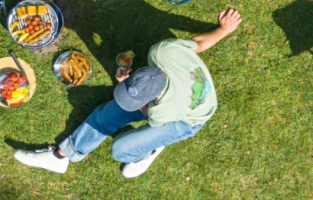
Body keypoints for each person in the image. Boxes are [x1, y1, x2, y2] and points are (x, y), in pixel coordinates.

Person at [13, 9, 242, 178]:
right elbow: (197, 44)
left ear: (153, 100)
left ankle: (152, 148)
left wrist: (137, 102)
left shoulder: (165, 110)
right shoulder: (163, 51)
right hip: (174, 94)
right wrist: (223, 29)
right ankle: (60, 158)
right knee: (105, 115)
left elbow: (148, 111)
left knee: (121, 149)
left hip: (188, 119)